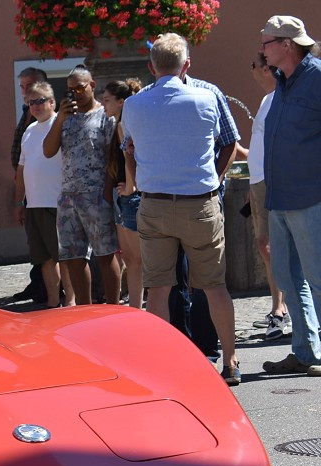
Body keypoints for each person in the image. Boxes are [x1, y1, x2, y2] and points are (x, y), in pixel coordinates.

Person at [121, 32, 240, 385]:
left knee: (158, 288)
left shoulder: (134, 104)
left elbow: (128, 148)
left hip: (154, 203)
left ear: (151, 66)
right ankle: (231, 362)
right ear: (186, 65)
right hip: (199, 202)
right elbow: (225, 141)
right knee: (214, 285)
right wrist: (215, 179)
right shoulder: (205, 99)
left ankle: (161, 365)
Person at [259, 15, 321, 378]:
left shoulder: (316, 78)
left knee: (318, 277)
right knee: (286, 276)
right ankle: (305, 350)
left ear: (286, 45)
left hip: (310, 195)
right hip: (280, 197)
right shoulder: (282, 81)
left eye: (267, 43)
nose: (262, 51)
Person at [43, 64, 120, 306]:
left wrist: (107, 193)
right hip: (68, 196)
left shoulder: (105, 117)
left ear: (92, 86)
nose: (74, 93)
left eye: (79, 88)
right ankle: (85, 309)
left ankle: (113, 308)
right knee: (73, 257)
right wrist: (61, 118)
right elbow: (48, 151)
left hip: (96, 194)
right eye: (70, 90)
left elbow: (112, 157)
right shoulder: (64, 118)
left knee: (105, 254)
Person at [14, 81, 73, 309]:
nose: (35, 106)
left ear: (52, 102)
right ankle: (52, 302)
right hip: (34, 205)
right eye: (31, 102)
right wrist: (19, 201)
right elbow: (21, 169)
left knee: (64, 257)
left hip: (57, 202)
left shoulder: (61, 123)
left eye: (40, 101)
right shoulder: (29, 131)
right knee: (44, 259)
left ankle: (70, 300)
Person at [247, 52, 290, 340]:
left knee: (271, 246)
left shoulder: (279, 99)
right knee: (266, 246)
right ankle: (278, 308)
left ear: (267, 69)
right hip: (259, 181)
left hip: (271, 181)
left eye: (254, 65)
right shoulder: (267, 100)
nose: (251, 70)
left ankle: (282, 310)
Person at [101, 79, 144, 308]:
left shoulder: (122, 125)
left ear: (121, 102)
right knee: (130, 259)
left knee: (135, 259)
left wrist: (130, 186)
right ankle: (136, 307)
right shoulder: (119, 122)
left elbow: (130, 157)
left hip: (129, 196)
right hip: (123, 196)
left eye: (107, 100)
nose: (103, 103)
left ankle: (138, 307)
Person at [12, 68, 51, 304]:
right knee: (35, 243)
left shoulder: (48, 119)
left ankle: (46, 288)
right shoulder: (27, 115)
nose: (25, 91)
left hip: (46, 193)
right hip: (29, 189)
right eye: (22, 87)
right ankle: (38, 284)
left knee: (48, 246)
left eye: (29, 85)